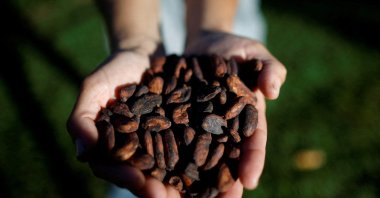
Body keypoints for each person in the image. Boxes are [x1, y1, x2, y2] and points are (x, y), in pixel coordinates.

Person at [67, 0, 287, 197]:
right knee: (132, 175)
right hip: (135, 19)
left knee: (136, 174)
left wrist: (211, 28)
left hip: (226, 19)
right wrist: (135, 41)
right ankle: (127, 184)